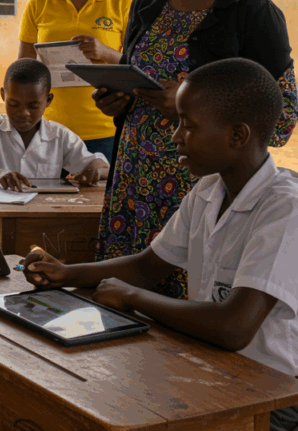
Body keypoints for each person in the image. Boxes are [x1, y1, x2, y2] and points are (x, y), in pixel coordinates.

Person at [24, 58, 298, 431]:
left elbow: (235, 327)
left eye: (188, 125)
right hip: (217, 368)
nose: (175, 136)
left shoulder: (284, 208)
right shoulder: (207, 191)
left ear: (237, 136)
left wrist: (132, 298)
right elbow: (147, 267)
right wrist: (65, 273)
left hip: (273, 395)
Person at [93, 0, 297, 299]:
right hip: (134, 179)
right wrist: (118, 101)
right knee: (123, 303)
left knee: (188, 311)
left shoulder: (254, 13)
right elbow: (134, 77)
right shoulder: (147, 2)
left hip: (198, 186)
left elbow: (284, 112)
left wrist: (187, 104)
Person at [18, 0, 134, 163]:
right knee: (49, 203)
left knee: (100, 203)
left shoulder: (123, 2)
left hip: (107, 131)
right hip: (50, 131)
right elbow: (22, 69)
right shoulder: (39, 3)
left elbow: (138, 69)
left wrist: (105, 52)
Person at [0, 58, 108, 191]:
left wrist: (96, 168)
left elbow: (101, 168)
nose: (23, 113)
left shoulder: (60, 136)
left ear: (48, 100)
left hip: (40, 213)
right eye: (13, 104)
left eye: (33, 106)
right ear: (3, 95)